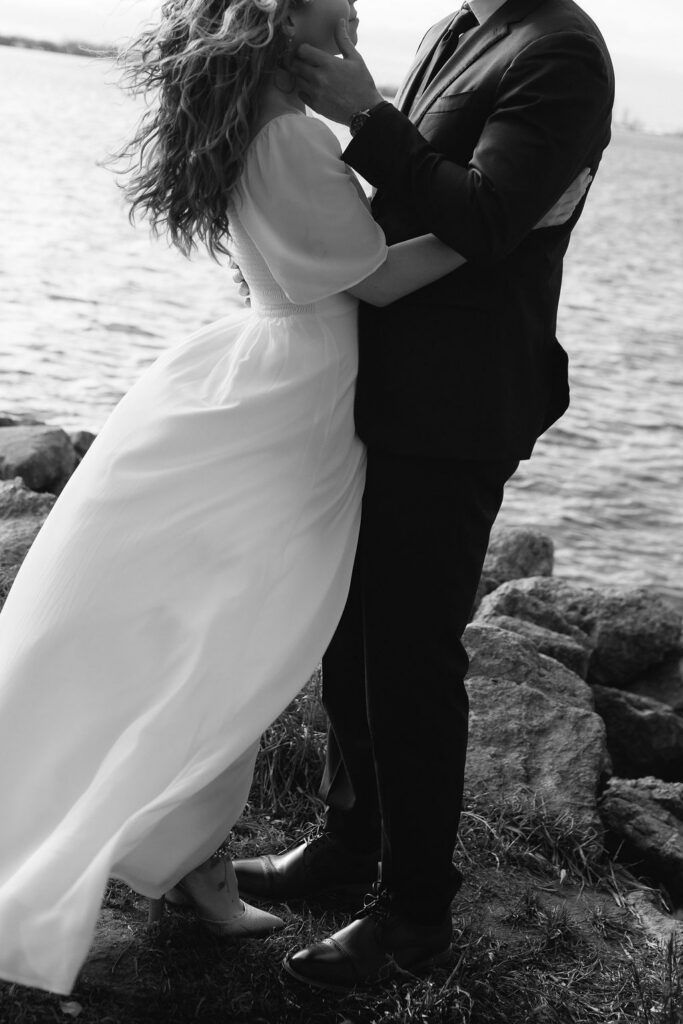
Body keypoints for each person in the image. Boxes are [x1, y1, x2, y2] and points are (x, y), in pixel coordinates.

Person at [0, 0, 585, 999]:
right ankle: (226, 856)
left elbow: (367, 227)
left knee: (260, 634)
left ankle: (258, 872)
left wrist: (431, 179)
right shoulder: (300, 132)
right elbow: (378, 273)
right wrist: (519, 221)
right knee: (248, 637)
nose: (357, 18)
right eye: (338, 4)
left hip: (307, 385)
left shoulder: (533, 55)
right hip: (301, 396)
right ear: (282, 20)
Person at [233, 0, 615, 992]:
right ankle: (347, 842)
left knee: (407, 653)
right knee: (348, 633)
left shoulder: (560, 52)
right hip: (376, 380)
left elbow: (486, 218)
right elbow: (417, 198)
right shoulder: (454, 30)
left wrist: (367, 118)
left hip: (457, 403)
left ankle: (412, 916)